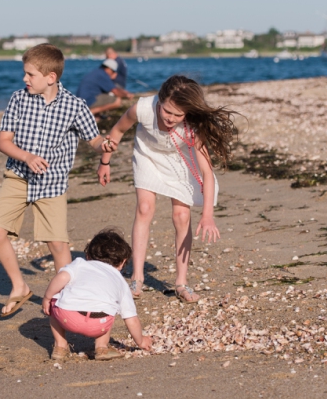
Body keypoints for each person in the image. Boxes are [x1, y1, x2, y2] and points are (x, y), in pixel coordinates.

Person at [0, 44, 107, 319]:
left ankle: (68, 298)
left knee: (57, 244)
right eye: (25, 73)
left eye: (30, 74)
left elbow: (95, 140)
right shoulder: (18, 99)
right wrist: (27, 157)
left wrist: (105, 147)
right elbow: (3, 141)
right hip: (17, 176)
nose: (24, 79)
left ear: (50, 77)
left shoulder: (76, 106)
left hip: (51, 184)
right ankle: (19, 287)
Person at [97, 74, 239, 299]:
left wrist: (208, 215)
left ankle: (181, 283)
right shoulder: (142, 108)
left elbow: (207, 173)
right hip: (147, 155)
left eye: (178, 115)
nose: (171, 118)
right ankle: (137, 279)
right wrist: (104, 162)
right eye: (167, 111)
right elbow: (116, 132)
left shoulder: (192, 124)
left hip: (179, 159)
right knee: (144, 208)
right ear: (159, 101)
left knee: (182, 215)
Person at [41, 227, 152, 361]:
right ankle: (102, 347)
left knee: (56, 298)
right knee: (108, 304)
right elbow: (131, 319)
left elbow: (62, 277)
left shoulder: (80, 264)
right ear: (122, 262)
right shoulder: (121, 282)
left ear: (88, 256)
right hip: (99, 324)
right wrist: (140, 341)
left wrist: (47, 297)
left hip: (67, 318)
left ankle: (60, 346)